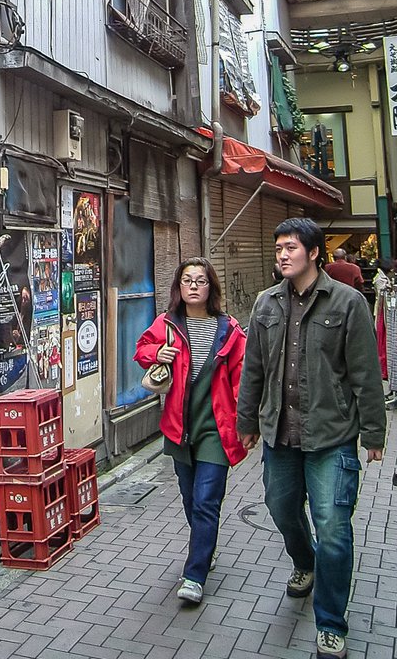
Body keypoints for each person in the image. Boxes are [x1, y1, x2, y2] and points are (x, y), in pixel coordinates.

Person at [237, 218, 386, 659]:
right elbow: (254, 372)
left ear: (315, 252)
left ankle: (331, 624)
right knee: (281, 508)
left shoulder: (348, 303)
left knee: (335, 530)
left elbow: (365, 373)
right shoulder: (265, 305)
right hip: (279, 435)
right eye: (278, 247)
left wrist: (374, 432)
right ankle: (305, 562)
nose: (282, 254)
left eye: (290, 247)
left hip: (332, 436)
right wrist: (246, 423)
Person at [135, 257, 247, 606]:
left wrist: (247, 421)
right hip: (180, 426)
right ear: (179, 288)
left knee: (205, 500)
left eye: (201, 280)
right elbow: (140, 350)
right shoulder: (167, 324)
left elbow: (243, 376)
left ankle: (195, 574)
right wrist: (158, 352)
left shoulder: (229, 329)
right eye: (187, 280)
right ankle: (206, 545)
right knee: (188, 496)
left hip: (216, 426)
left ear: (211, 287)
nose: (194, 285)